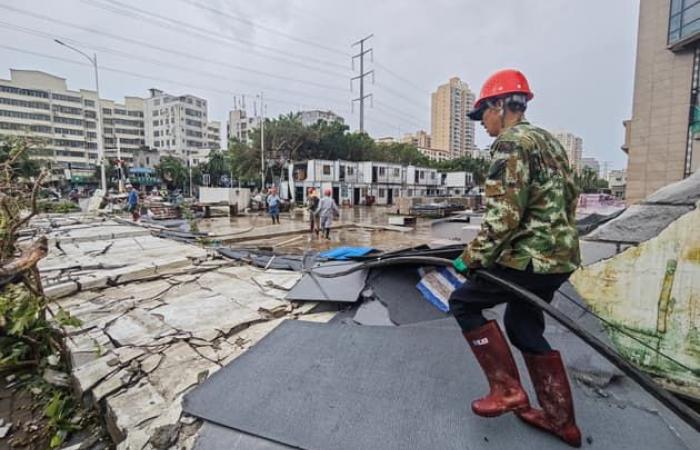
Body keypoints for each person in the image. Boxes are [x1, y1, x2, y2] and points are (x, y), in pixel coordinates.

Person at [448, 69, 582, 447]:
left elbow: (504, 216)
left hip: (527, 258)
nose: (484, 125)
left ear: (500, 106)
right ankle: (561, 422)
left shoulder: (510, 143)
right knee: (523, 327)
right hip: (559, 257)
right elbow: (570, 200)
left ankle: (506, 389)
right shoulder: (550, 143)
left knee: (462, 302)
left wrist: (471, 258)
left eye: (484, 116)